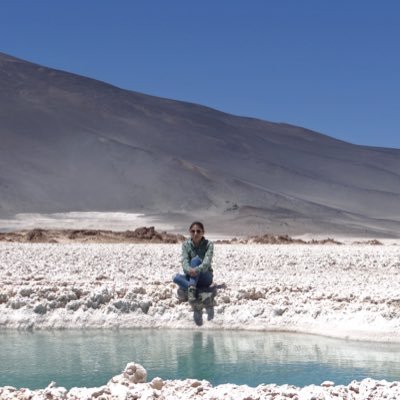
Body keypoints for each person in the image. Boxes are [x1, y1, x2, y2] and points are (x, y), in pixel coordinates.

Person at [173, 221, 214, 304]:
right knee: (175, 277)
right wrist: (189, 270)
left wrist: (196, 270)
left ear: (203, 232)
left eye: (198, 231)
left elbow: (206, 263)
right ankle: (200, 293)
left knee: (195, 260)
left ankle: (191, 291)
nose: (195, 233)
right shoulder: (185, 244)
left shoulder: (209, 244)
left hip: (205, 276)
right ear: (190, 232)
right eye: (193, 231)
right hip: (192, 276)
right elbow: (185, 261)